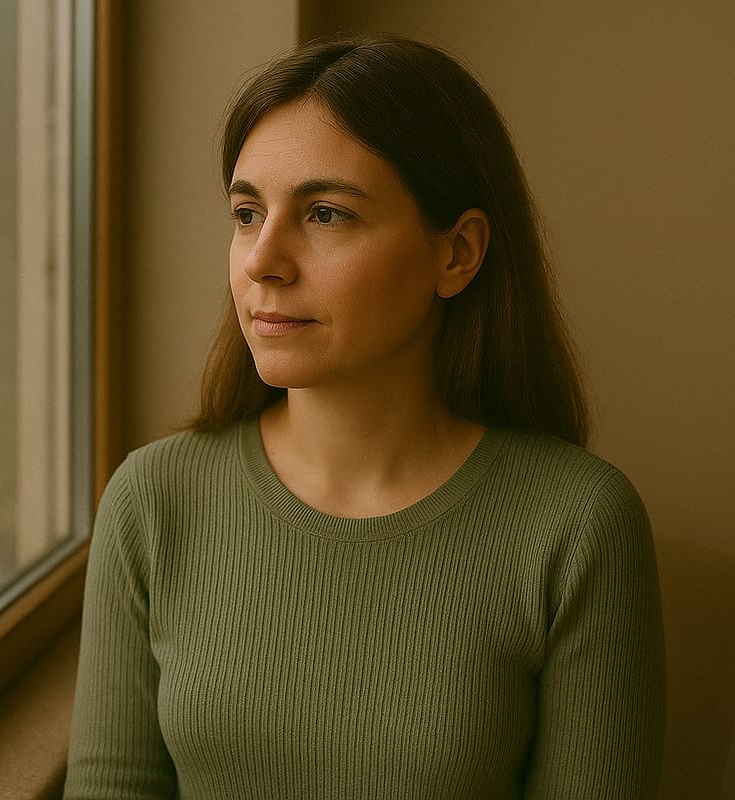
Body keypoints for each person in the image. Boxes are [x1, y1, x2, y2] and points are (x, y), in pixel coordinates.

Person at [64, 34, 665, 799]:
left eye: (324, 214)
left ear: (458, 254)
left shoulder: (579, 523)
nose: (262, 260)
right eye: (247, 213)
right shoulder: (152, 501)